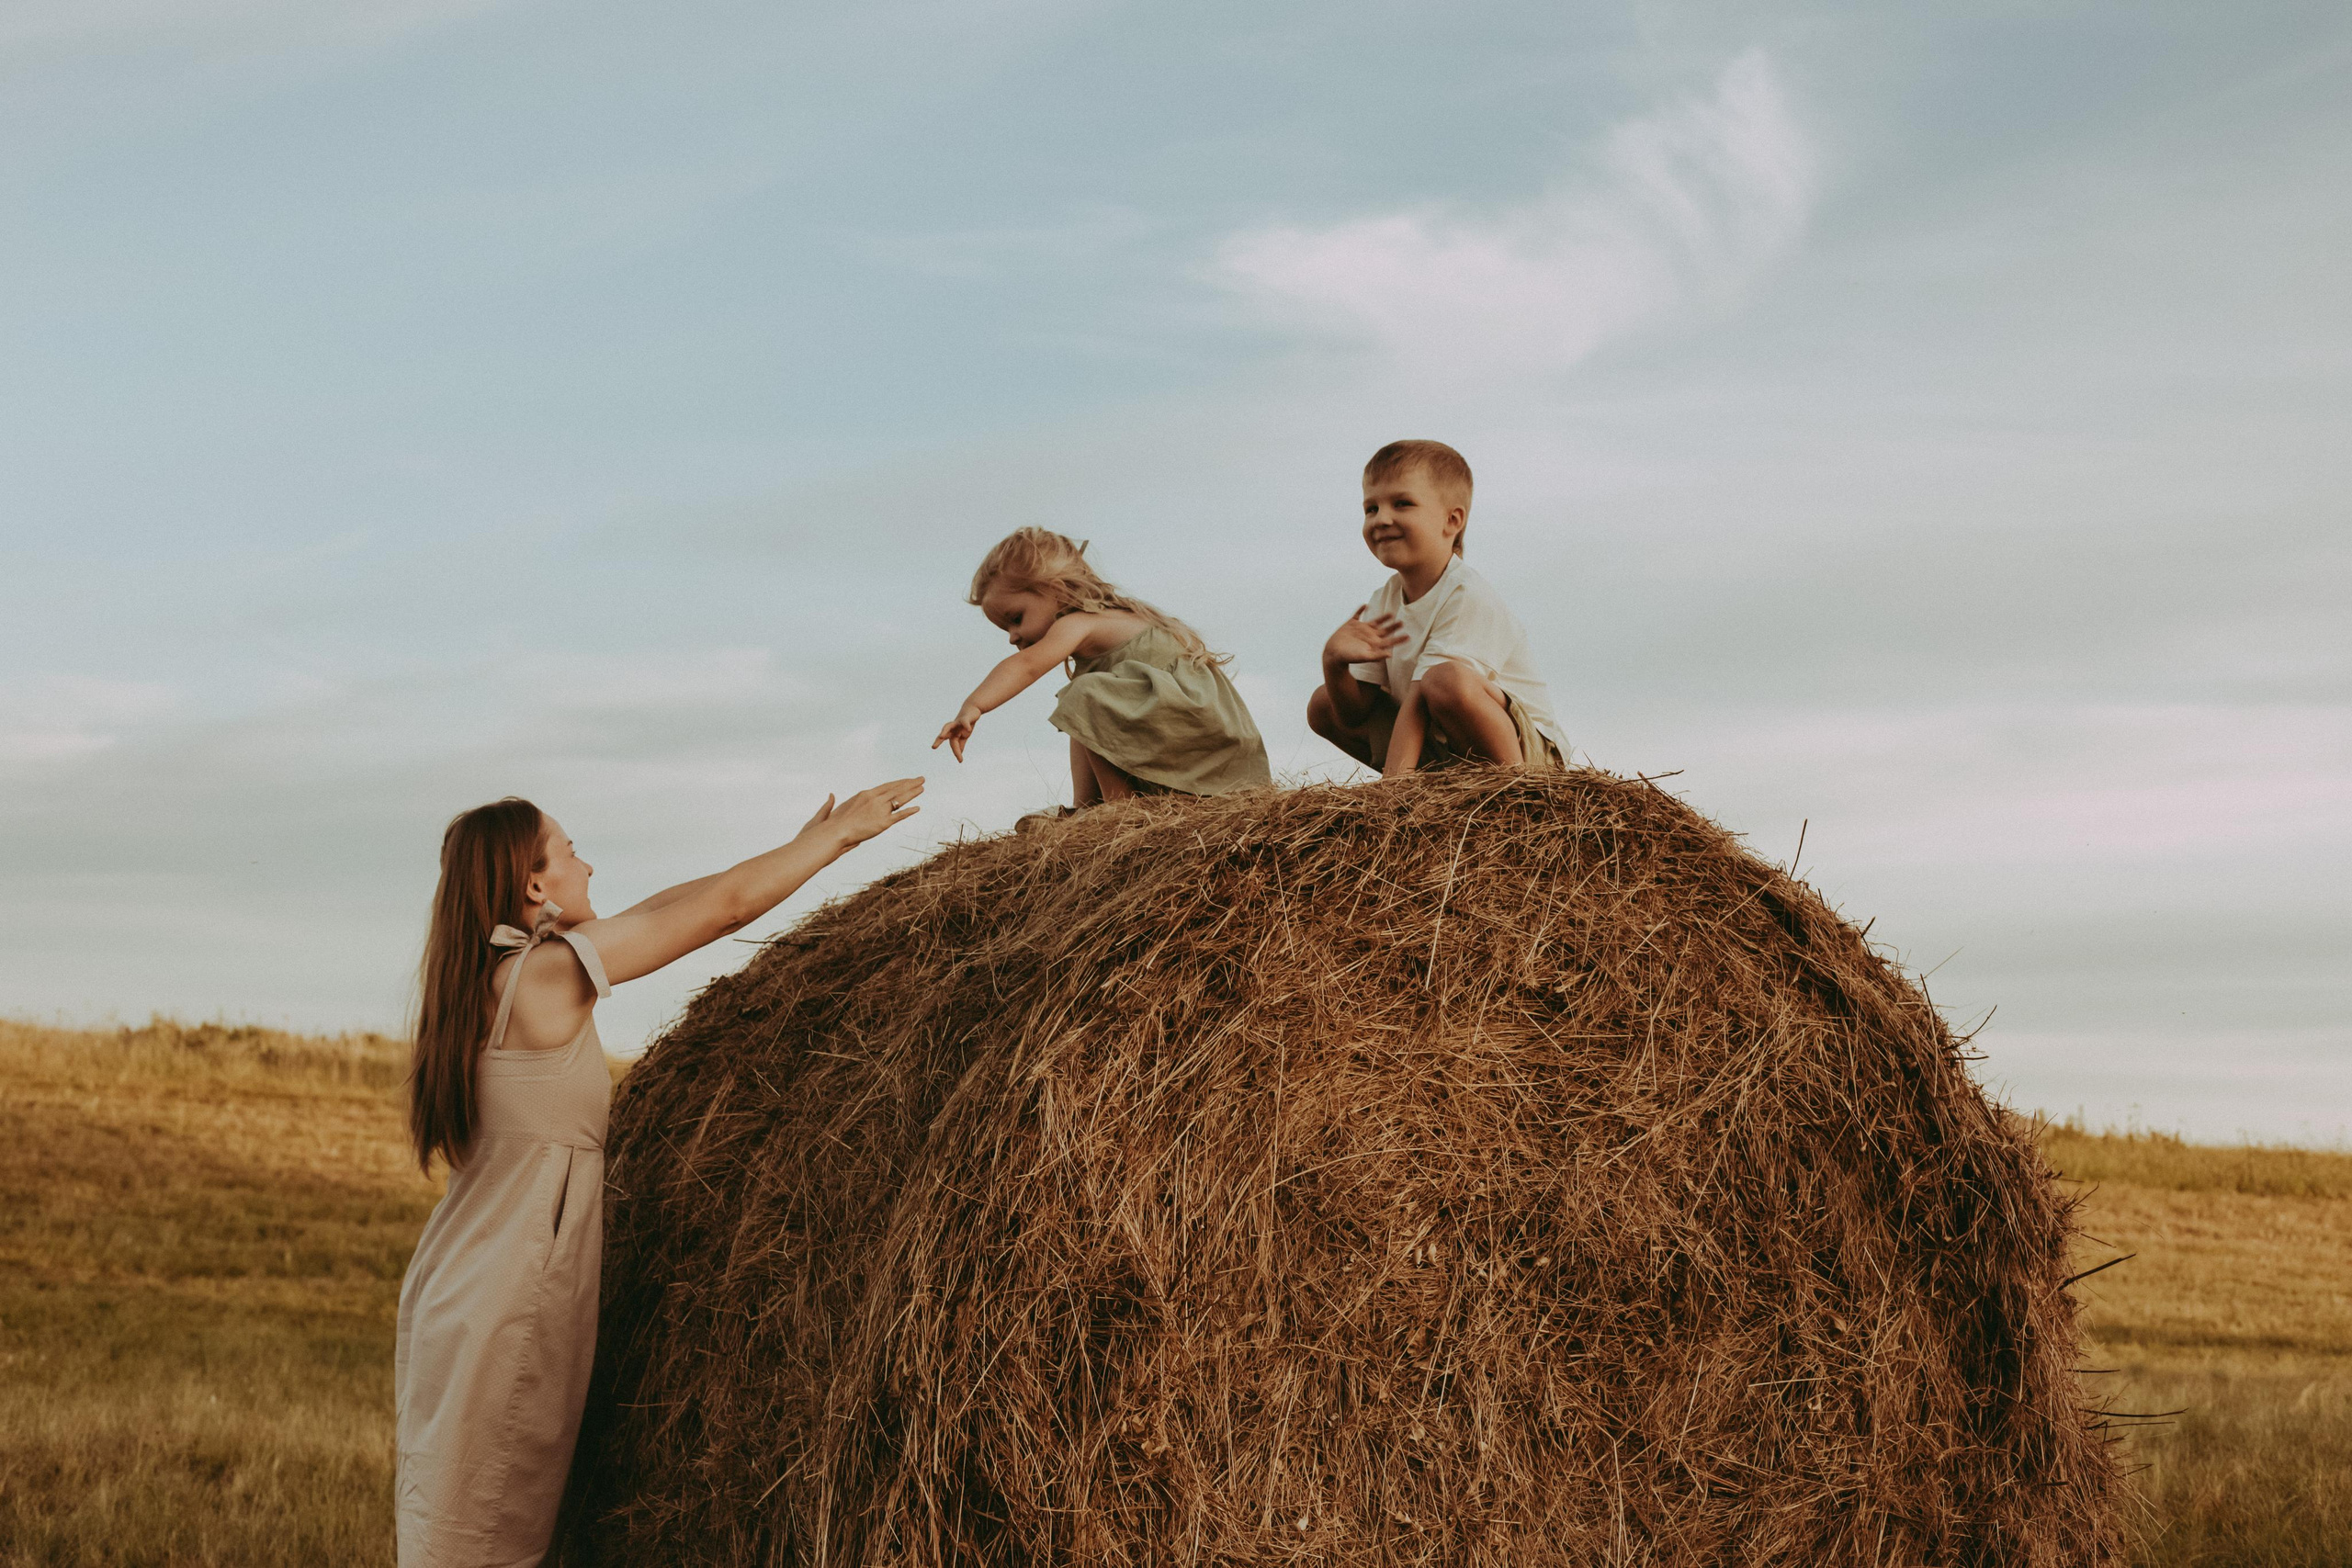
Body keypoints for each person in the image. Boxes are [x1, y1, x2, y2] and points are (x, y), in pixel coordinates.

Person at [395, 777, 921, 1568]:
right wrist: (838, 838)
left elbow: (670, 904)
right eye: (571, 852)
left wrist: (791, 846)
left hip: (462, 1288)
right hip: (509, 1298)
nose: (590, 868)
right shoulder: (543, 980)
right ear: (535, 883)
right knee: (488, 1543)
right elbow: (722, 912)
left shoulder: (486, 985)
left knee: (457, 1526)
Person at [933, 526, 1272, 805]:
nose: (1013, 636)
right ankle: (1088, 808)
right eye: (1006, 629)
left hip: (1193, 724)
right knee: (1082, 703)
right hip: (1189, 727)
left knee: (1084, 695)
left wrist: (975, 705)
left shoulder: (1081, 622)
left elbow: (1026, 665)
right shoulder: (1107, 627)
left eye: (1016, 618)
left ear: (1057, 588)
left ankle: (1119, 810)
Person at [1307, 439, 1566, 775]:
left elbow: (1418, 702)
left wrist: (1390, 800)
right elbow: (1354, 715)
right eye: (1370, 508)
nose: (1381, 518)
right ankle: (1433, 787)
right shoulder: (1384, 600)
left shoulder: (1466, 594)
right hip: (1447, 750)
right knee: (1323, 703)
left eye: (1402, 504)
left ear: (1452, 521)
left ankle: (1519, 795)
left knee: (1443, 680)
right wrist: (1334, 663)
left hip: (1530, 755)